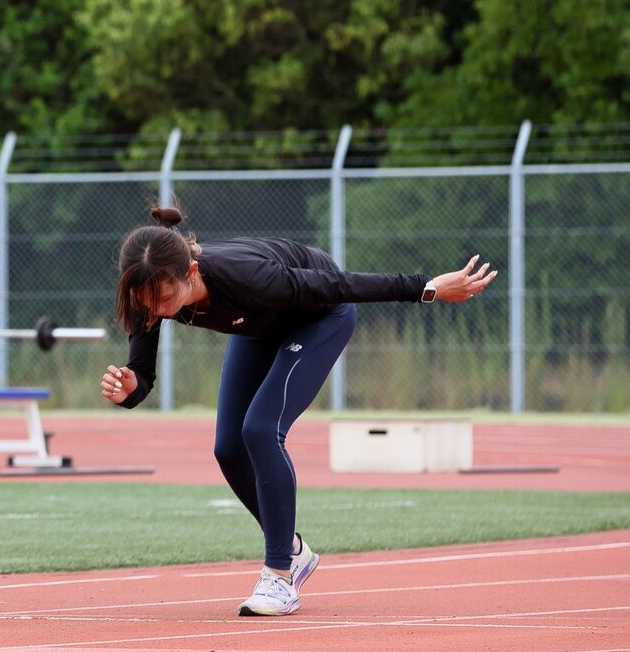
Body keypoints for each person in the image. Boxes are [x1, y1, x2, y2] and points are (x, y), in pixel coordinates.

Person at [100, 205, 497, 616]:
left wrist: (426, 287)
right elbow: (141, 376)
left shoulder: (248, 277)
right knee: (228, 447)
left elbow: (341, 286)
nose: (159, 310)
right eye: (146, 301)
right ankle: (293, 549)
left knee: (260, 429)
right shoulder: (145, 295)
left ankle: (279, 575)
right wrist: (129, 387)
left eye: (166, 299)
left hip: (320, 315)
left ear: (192, 272)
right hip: (258, 325)